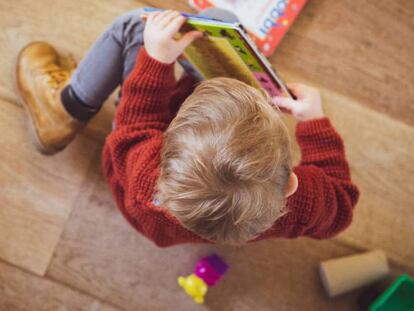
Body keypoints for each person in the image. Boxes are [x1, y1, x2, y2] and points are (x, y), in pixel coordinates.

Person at [16, 9, 359, 246]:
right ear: (290, 185)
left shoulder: (147, 175)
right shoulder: (301, 202)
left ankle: (64, 109)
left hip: (134, 160)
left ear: (170, 143)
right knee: (220, 22)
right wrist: (314, 123)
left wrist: (156, 60)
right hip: (185, 220)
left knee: (135, 25)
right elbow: (341, 206)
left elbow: (140, 122)